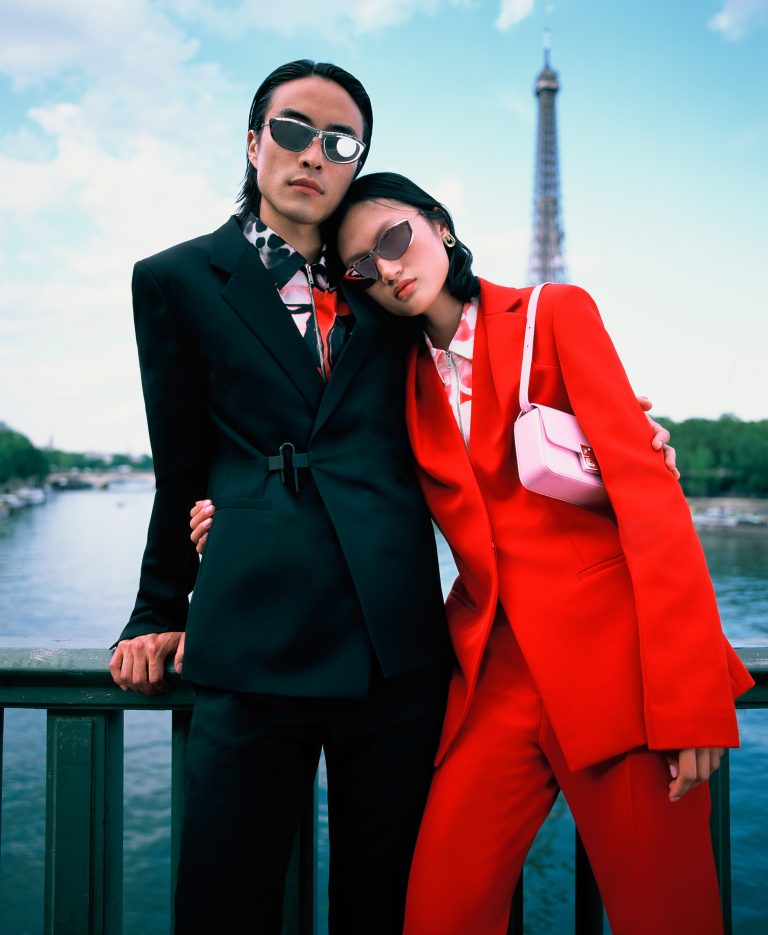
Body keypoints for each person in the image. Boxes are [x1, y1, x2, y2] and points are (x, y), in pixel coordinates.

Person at [113, 56, 675, 933]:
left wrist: (624, 438)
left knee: (387, 902)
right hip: (251, 633)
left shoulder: (384, 287)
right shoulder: (174, 280)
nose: (312, 155)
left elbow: (482, 382)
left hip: (395, 647)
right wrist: (155, 609)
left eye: (339, 142)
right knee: (225, 899)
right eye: (293, 130)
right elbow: (178, 464)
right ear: (254, 140)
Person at [193, 171, 751, 934]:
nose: (386, 270)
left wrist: (691, 702)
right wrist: (234, 519)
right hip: (493, 679)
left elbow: (651, 505)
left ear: (439, 226)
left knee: (668, 915)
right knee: (435, 914)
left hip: (619, 669)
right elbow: (342, 488)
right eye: (360, 267)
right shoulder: (396, 380)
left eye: (394, 239)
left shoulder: (555, 313)